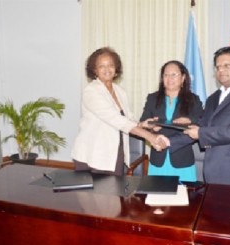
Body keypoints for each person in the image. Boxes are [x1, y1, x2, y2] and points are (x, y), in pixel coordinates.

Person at [170, 46, 230, 187]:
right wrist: (167, 142)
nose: (220, 70)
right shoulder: (213, 98)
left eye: (226, 66)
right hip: (212, 171)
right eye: (218, 67)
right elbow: (203, 125)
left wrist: (200, 132)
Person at [71, 47, 167, 176]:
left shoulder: (120, 91)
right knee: (95, 195)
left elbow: (128, 119)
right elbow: (117, 120)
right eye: (102, 66)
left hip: (115, 153)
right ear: (95, 70)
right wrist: (151, 137)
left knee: (113, 193)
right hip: (93, 153)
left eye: (110, 65)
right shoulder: (91, 91)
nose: (107, 69)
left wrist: (142, 124)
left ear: (116, 68)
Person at [138, 60, 204, 182]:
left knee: (183, 198)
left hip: (182, 159)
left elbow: (202, 122)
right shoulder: (152, 98)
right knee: (156, 198)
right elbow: (142, 123)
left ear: (183, 77)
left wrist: (190, 120)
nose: (169, 78)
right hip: (158, 157)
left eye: (174, 74)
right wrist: (151, 127)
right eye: (166, 75)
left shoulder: (193, 99)